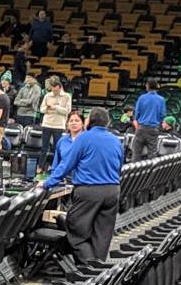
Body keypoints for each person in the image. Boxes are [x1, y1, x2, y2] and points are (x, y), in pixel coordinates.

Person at [45, 109, 125, 270]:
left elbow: (67, 164)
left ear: (89, 122)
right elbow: (119, 165)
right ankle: (98, 269)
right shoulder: (116, 140)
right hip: (113, 190)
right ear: (107, 122)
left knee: (76, 230)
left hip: (89, 191)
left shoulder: (83, 138)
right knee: (102, 235)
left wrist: (47, 183)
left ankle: (91, 269)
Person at [131, 83, 168, 160]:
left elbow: (137, 112)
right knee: (152, 154)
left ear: (147, 87)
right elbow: (162, 114)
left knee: (136, 152)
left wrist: (137, 123)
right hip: (153, 129)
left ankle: (135, 171)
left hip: (141, 127)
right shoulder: (161, 99)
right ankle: (151, 171)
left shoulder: (142, 98)